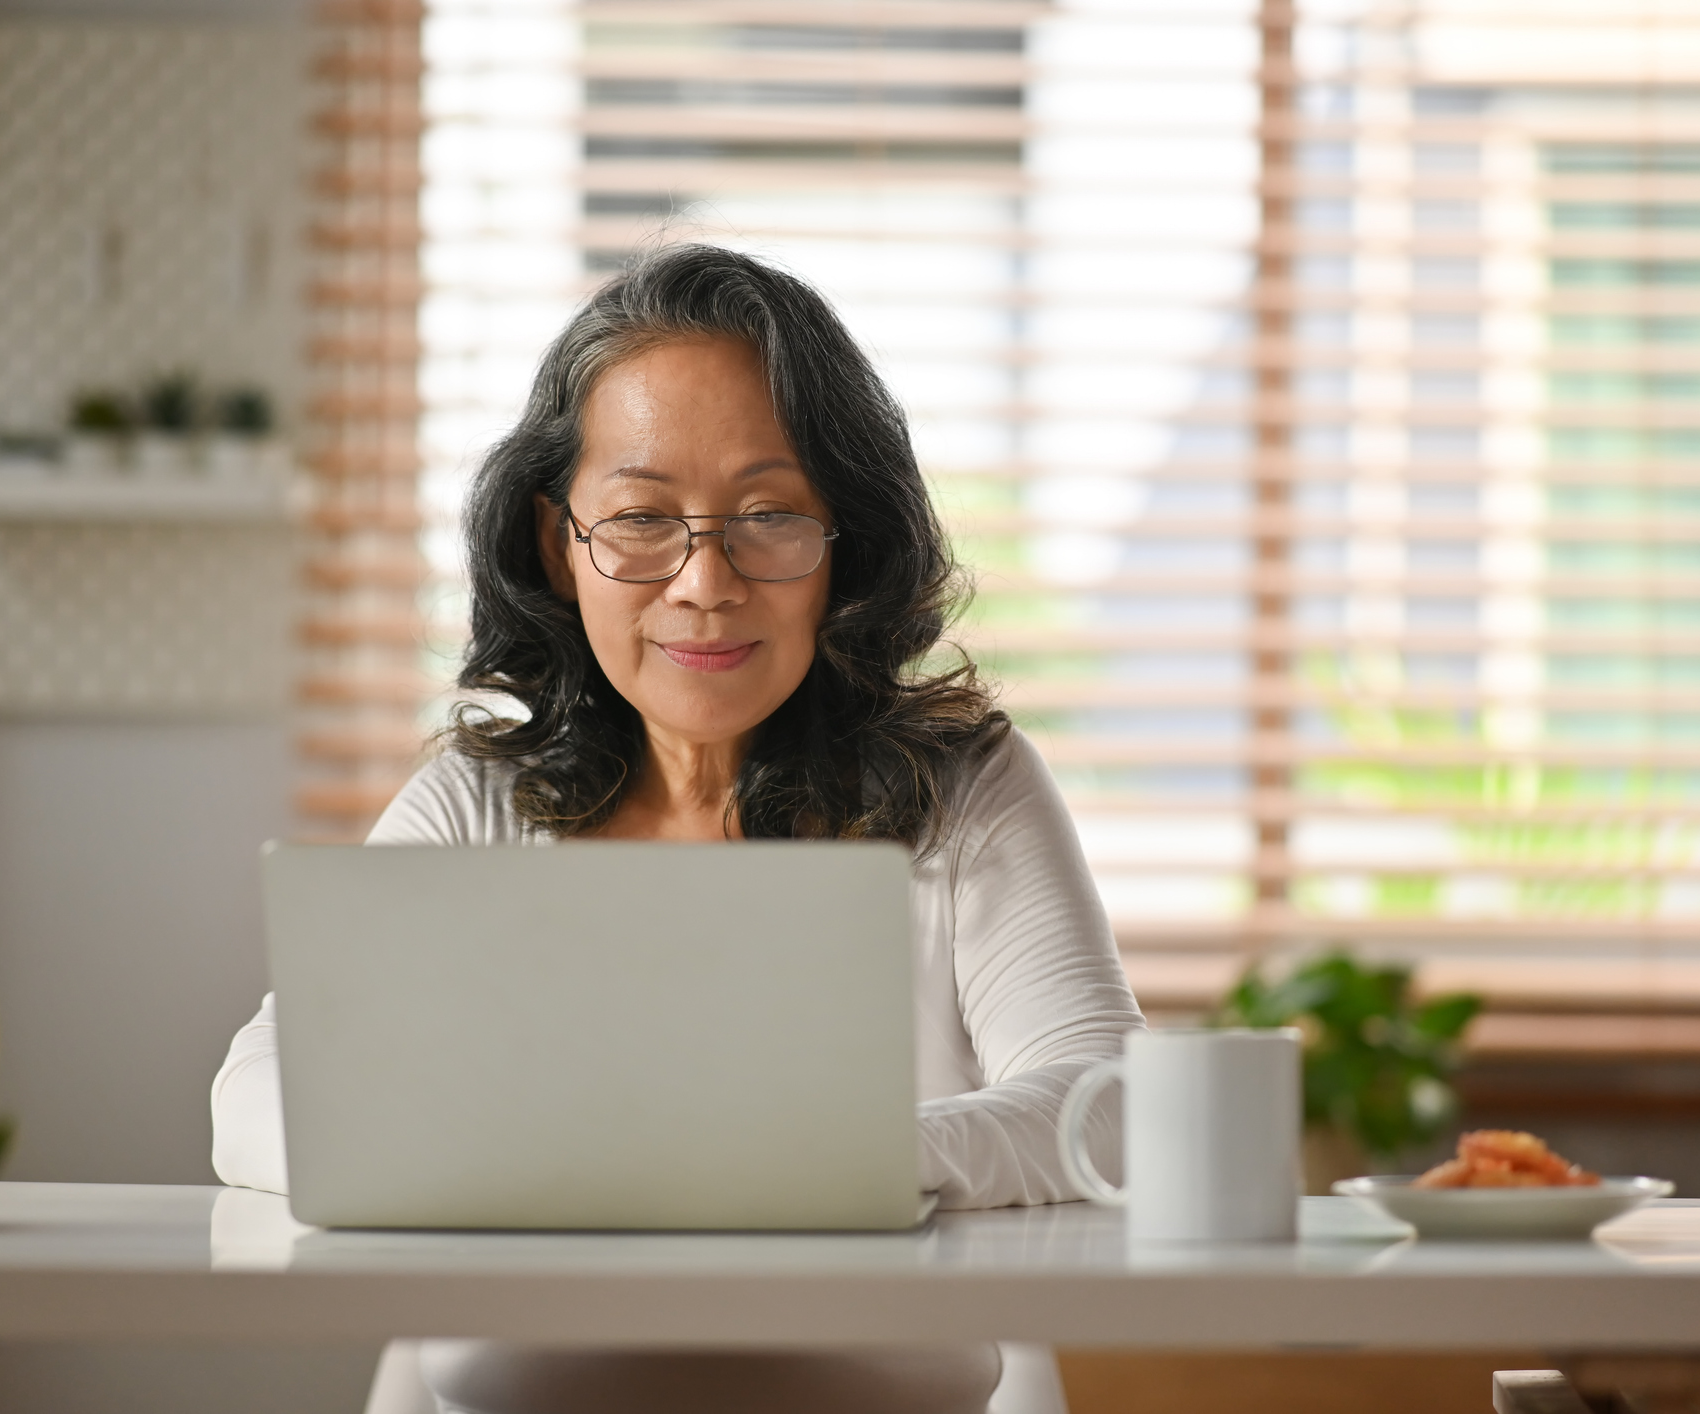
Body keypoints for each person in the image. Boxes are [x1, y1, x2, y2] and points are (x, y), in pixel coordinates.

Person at [212, 244, 1144, 1414]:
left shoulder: (964, 787)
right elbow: (255, 1092)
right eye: (643, 517)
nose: (705, 582)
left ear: (841, 540)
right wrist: (543, 1165)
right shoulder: (475, 803)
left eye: (768, 514)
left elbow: (1111, 1103)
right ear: (562, 546)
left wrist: (827, 1163)